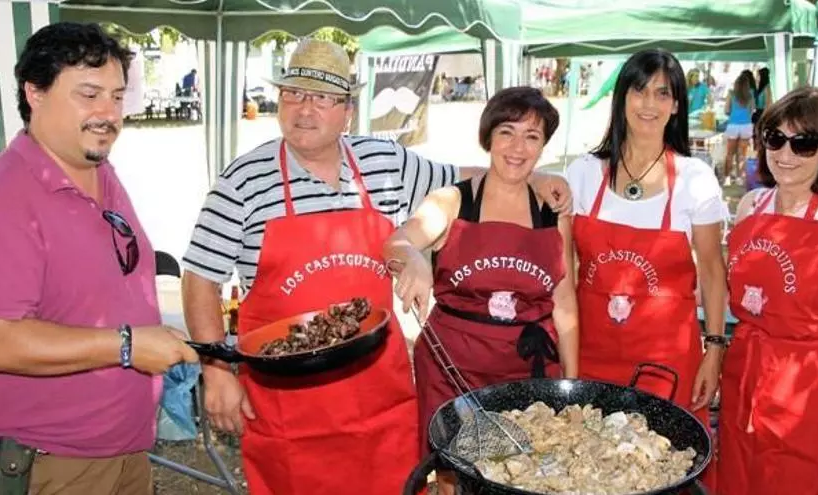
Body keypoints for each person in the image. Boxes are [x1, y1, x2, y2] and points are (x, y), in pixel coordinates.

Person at [179, 38, 572, 495]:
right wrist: (216, 371)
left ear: (348, 111)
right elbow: (200, 278)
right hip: (288, 399)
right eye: (294, 94)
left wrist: (538, 177)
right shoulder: (242, 181)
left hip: (377, 395)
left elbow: (468, 178)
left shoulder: (383, 162)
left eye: (322, 98)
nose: (305, 109)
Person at [0, 22, 198, 495]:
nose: (108, 114)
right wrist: (128, 345)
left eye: (117, 97)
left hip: (124, 449)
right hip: (46, 462)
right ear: (35, 92)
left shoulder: (101, 172)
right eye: (89, 95)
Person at [383, 86, 579, 494]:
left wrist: (571, 388)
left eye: (532, 136)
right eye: (507, 132)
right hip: (452, 368)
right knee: (454, 477)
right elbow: (398, 241)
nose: (518, 147)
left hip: (527, 370)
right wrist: (413, 258)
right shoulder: (452, 202)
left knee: (524, 476)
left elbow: (564, 300)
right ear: (488, 136)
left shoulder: (551, 211)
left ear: (543, 145)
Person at [566, 49, 728, 476]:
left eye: (662, 93)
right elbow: (564, 274)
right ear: (621, 97)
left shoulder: (695, 179)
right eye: (639, 91)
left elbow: (713, 272)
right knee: (589, 471)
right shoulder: (583, 173)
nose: (649, 104)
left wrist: (714, 350)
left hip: (667, 364)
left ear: (676, 105)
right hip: (590, 356)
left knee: (662, 471)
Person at [718, 86, 818, 495]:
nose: (785, 154)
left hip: (812, 387)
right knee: (739, 478)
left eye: (803, 143)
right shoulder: (751, 205)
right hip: (746, 375)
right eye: (776, 138)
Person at [723, 70, 757, 186]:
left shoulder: (731, 93)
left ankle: (727, 178)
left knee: (730, 154)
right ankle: (739, 178)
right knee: (742, 154)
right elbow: (752, 110)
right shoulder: (750, 94)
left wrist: (733, 114)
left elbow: (726, 110)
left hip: (733, 125)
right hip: (746, 126)